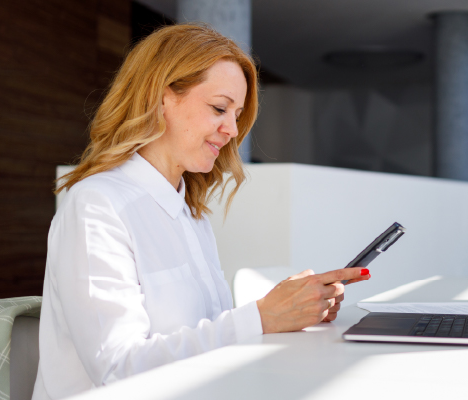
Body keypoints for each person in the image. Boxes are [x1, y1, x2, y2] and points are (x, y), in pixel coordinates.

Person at [32, 24, 370, 400]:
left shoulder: (190, 211)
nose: (231, 130)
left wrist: (288, 311)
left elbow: (205, 333)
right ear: (161, 98)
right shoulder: (97, 206)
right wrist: (261, 317)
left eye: (237, 115)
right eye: (219, 108)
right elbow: (117, 368)